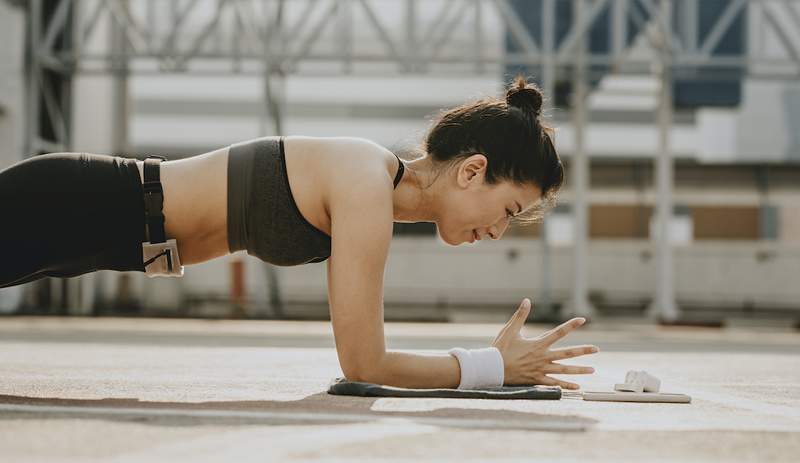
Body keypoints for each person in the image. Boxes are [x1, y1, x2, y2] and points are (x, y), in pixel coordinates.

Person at [0, 75, 598, 390]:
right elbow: (364, 364)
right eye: (508, 210)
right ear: (473, 171)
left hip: (93, 235)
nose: (498, 232)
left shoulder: (375, 196)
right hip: (75, 205)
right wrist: (493, 366)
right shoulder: (365, 184)